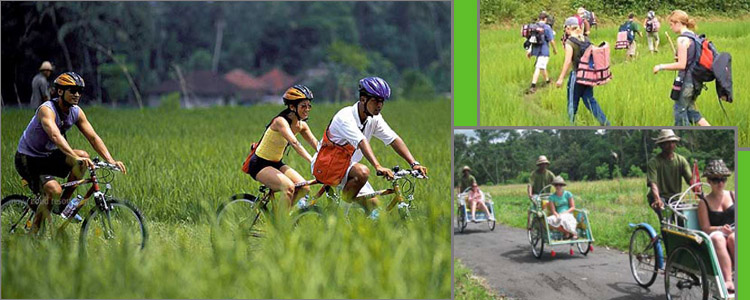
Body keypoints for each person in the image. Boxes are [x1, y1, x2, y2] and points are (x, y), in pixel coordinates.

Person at [14, 72, 127, 232]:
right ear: (60, 91)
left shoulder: (76, 112)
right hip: (28, 159)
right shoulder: (47, 110)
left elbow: (93, 137)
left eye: (79, 91)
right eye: (72, 90)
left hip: (49, 156)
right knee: (54, 190)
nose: (77, 94)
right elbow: (54, 135)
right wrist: (73, 156)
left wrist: (111, 160)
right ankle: (34, 234)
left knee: (84, 156)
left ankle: (62, 205)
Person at [311, 76, 428, 217]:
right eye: (375, 100)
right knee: (363, 172)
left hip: (348, 167)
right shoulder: (345, 117)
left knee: (375, 210)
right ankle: (340, 219)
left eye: (382, 101)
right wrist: (377, 166)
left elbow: (393, 139)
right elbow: (361, 141)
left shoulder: (374, 118)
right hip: (327, 165)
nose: (379, 105)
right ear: (362, 99)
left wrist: (414, 163)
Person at [243, 85, 319, 209]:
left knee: (303, 187)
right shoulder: (280, 122)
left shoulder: (301, 125)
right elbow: (295, 143)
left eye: (309, 105)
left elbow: (316, 144)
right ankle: (281, 225)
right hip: (259, 164)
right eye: (303, 106)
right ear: (292, 107)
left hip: (276, 163)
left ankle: (283, 217)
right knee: (289, 187)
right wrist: (312, 161)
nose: (307, 109)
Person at [652, 10, 711, 126]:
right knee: (691, 111)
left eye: (671, 24)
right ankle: (712, 132)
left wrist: (660, 66)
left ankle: (685, 139)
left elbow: (681, 65)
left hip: (687, 83)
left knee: (680, 111)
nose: (670, 27)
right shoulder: (694, 36)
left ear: (678, 22)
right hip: (696, 82)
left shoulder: (682, 39)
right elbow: (690, 59)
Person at [555, 17, 610, 126]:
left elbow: (567, 61)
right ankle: (605, 122)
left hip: (576, 76)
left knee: (572, 102)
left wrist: (561, 78)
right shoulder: (586, 40)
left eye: (565, 28)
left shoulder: (570, 42)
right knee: (590, 100)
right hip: (588, 76)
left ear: (568, 28)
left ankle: (570, 124)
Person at [697, 159, 735, 293]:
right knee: (718, 238)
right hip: (715, 232)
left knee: (733, 238)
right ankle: (728, 280)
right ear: (708, 181)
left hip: (734, 231)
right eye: (715, 180)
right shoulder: (704, 202)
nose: (720, 183)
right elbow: (705, 228)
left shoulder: (733, 195)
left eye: (723, 179)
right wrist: (720, 228)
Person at [646, 129, 692, 220]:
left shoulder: (681, 160)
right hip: (660, 196)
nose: (670, 145)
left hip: (675, 198)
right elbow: (653, 184)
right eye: (667, 143)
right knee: (666, 219)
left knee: (685, 219)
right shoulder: (654, 162)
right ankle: (665, 233)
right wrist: (657, 199)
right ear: (661, 145)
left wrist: (703, 197)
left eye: (672, 142)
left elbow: (691, 181)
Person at [525, 12, 557, 95]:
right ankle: (533, 86)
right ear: (545, 19)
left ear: (539, 18)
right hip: (544, 50)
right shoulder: (547, 27)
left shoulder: (534, 26)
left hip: (535, 50)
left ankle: (547, 81)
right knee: (538, 67)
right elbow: (552, 41)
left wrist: (529, 51)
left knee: (542, 66)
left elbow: (531, 40)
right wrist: (555, 49)